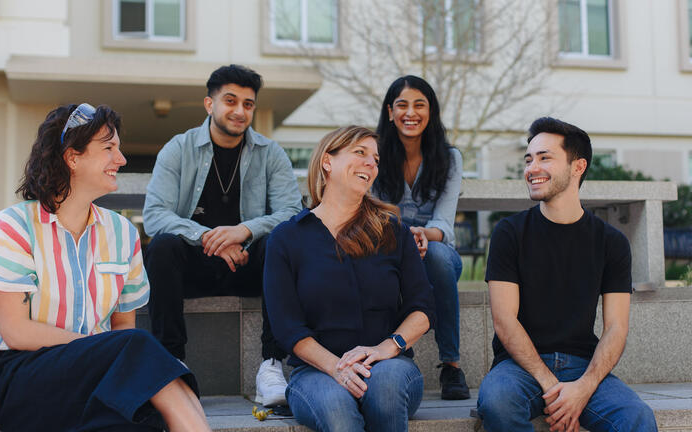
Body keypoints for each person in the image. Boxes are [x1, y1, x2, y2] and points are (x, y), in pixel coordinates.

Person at [0, 103, 210, 432]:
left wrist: (107, 357)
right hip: (26, 379)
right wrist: (101, 351)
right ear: (73, 157)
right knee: (138, 348)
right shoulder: (14, 227)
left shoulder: (122, 234)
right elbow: (15, 331)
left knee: (146, 423)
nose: (121, 159)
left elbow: (123, 327)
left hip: (101, 375)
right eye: (109, 148)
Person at [476, 117, 657, 431]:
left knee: (637, 417)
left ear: (578, 167)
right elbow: (505, 321)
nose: (532, 168)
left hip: (583, 366)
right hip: (518, 367)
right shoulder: (509, 233)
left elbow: (616, 327)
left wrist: (583, 388)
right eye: (529, 159)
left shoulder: (611, 242)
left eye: (545, 158)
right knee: (498, 403)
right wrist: (552, 387)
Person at [143, 64, 301, 406]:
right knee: (163, 246)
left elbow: (292, 213)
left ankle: (271, 366)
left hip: (250, 267)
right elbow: (155, 216)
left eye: (248, 104)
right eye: (230, 101)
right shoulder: (179, 148)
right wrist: (208, 238)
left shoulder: (270, 154)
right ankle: (171, 366)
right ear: (209, 104)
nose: (240, 111)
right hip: (194, 268)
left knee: (281, 241)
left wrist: (244, 231)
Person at [263, 126, 437, 431]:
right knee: (337, 412)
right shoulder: (287, 238)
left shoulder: (393, 230)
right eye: (360, 153)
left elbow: (423, 308)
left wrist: (386, 347)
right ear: (327, 162)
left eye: (376, 158)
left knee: (384, 390)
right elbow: (287, 328)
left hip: (389, 366)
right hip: (315, 372)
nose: (372, 163)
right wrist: (337, 368)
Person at [373, 75, 469, 400]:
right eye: (402, 105)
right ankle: (398, 349)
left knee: (439, 256)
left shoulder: (450, 158)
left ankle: (452, 365)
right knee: (381, 263)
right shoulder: (373, 156)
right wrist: (403, 238)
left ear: (431, 112)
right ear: (390, 112)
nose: (410, 113)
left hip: (436, 252)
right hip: (389, 249)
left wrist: (423, 234)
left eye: (419, 105)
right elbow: (371, 213)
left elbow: (444, 220)